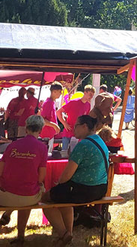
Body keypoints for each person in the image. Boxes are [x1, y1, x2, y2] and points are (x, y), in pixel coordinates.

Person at [43, 115, 109, 246]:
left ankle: (64, 233)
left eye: (75, 126)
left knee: (45, 199)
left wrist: (57, 185)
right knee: (64, 199)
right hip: (100, 189)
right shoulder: (99, 140)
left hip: (83, 190)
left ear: (84, 126)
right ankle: (68, 234)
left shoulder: (83, 144)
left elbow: (66, 176)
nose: (73, 130)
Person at [0, 115, 47, 244]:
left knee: (23, 190)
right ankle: (21, 235)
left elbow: (0, 169)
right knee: (30, 192)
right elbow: (41, 176)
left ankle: (8, 216)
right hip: (28, 196)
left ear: (26, 129)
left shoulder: (12, 146)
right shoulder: (42, 148)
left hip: (5, 195)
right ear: (41, 130)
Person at [57, 85, 93, 151]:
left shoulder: (88, 105)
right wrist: (64, 123)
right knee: (64, 152)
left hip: (78, 134)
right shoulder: (73, 102)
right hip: (68, 132)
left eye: (92, 95)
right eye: (90, 94)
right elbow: (59, 112)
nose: (91, 97)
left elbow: (86, 119)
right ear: (85, 92)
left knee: (75, 153)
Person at [40, 82, 63, 152]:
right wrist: (55, 125)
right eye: (59, 92)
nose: (61, 93)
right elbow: (42, 120)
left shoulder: (52, 102)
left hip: (50, 136)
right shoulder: (48, 103)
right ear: (54, 92)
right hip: (46, 137)